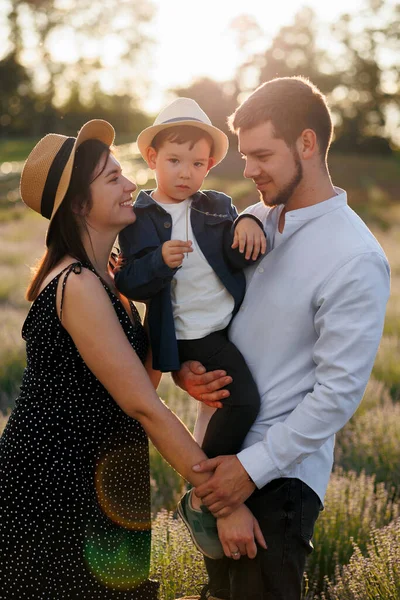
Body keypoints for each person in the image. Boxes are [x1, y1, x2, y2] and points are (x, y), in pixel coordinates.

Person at [0, 119, 265, 599]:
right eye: (113, 178)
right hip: (56, 483)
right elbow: (143, 404)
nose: (131, 186)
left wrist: (182, 367)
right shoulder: (77, 284)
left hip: (101, 475)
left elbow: (135, 376)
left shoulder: (110, 280)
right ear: (80, 203)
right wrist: (221, 502)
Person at [174, 77, 390, 600]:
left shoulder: (354, 258)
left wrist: (248, 473)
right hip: (217, 458)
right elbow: (207, 315)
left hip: (278, 483)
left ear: (307, 144)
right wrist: (186, 372)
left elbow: (337, 395)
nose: (248, 170)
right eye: (246, 156)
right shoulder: (255, 222)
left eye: (262, 155)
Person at [114, 98, 267, 556]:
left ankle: (212, 485)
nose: (185, 172)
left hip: (224, 328)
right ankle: (212, 487)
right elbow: (131, 281)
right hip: (183, 334)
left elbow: (238, 251)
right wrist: (159, 261)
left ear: (210, 165)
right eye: (175, 161)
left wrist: (251, 222)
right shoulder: (141, 217)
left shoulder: (217, 205)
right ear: (153, 159)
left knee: (225, 399)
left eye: (197, 163)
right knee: (243, 401)